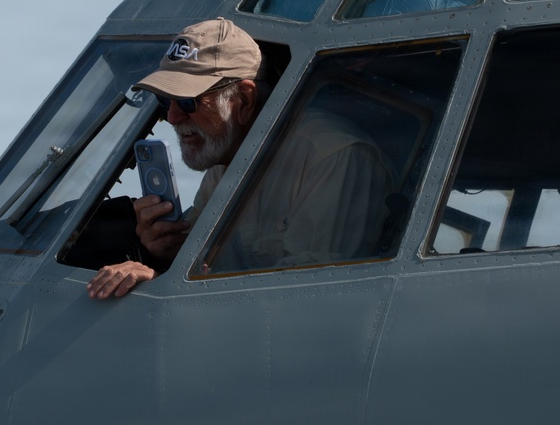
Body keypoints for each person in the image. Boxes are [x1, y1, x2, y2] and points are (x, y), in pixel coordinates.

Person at [86, 17, 390, 299]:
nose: (173, 117)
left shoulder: (333, 157)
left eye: (188, 102)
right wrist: (165, 252)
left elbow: (299, 297)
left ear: (243, 100)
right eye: (165, 100)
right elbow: (201, 261)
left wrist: (164, 285)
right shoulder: (224, 156)